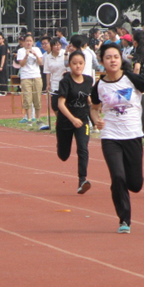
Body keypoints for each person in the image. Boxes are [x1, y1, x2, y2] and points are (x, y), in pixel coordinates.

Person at [90, 43, 144, 234]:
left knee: (135, 184)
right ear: (102, 61)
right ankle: (124, 219)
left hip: (133, 135)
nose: (112, 60)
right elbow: (94, 108)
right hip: (111, 137)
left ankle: (130, 188)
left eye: (115, 56)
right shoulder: (99, 86)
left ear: (121, 58)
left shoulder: (131, 79)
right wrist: (97, 120)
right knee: (117, 176)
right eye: (108, 57)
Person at [56, 50, 93, 194]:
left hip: (83, 120)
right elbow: (60, 104)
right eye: (75, 63)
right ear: (70, 65)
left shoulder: (89, 80)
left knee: (83, 147)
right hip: (66, 122)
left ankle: (82, 179)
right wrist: (72, 119)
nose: (78, 66)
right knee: (63, 155)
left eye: (81, 63)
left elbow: (89, 99)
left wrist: (95, 108)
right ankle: (61, 147)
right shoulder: (65, 82)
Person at [17, 34, 44, 124]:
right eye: (27, 41)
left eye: (30, 41)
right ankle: (29, 118)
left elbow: (40, 63)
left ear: (33, 42)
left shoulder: (37, 49)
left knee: (37, 98)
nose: (28, 43)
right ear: (24, 42)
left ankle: (38, 118)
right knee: (27, 98)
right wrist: (26, 56)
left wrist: (36, 55)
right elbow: (21, 64)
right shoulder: (21, 51)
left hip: (36, 76)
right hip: (26, 77)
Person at [44, 37, 67, 114]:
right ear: (51, 46)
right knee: (54, 105)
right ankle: (59, 119)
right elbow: (47, 72)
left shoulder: (65, 54)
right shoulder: (48, 57)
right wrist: (48, 84)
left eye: (59, 45)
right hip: (54, 83)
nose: (58, 47)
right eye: (55, 45)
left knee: (65, 104)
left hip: (65, 83)